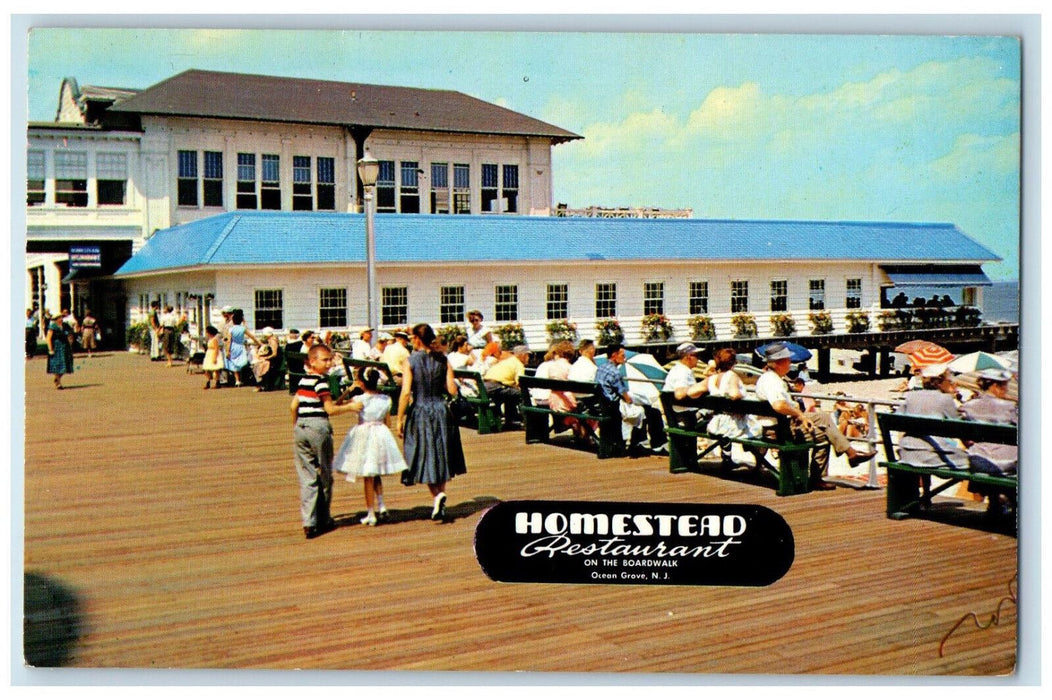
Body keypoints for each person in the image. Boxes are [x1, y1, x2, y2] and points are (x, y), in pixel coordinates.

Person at [754, 342, 874, 489]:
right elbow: (778, 405)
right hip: (780, 430)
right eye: (788, 360)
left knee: (824, 428)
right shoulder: (773, 381)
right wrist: (800, 414)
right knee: (824, 424)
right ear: (780, 362)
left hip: (777, 426)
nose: (790, 363)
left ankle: (849, 456)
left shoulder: (767, 378)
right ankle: (845, 458)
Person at [397, 323, 467, 522]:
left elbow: (405, 392)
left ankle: (437, 496)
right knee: (441, 452)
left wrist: (400, 417)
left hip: (420, 410)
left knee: (423, 453)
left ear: (417, 340)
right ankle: (440, 496)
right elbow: (452, 389)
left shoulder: (410, 361)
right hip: (441, 409)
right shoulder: (443, 360)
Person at [290, 343, 360, 539]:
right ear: (312, 361)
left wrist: (297, 426)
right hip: (318, 428)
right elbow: (329, 410)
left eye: (330, 359)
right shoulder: (321, 382)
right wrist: (351, 408)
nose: (329, 363)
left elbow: (293, 405)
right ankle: (323, 518)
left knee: (307, 476)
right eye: (325, 360)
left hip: (301, 428)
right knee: (325, 474)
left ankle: (308, 522)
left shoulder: (303, 381)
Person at [332, 369, 408, 526]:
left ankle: (371, 513)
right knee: (374, 471)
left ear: (361, 382)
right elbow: (387, 423)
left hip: (364, 435)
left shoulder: (358, 399)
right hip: (380, 434)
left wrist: (348, 390)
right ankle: (381, 505)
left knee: (368, 475)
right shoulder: (385, 399)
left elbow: (335, 405)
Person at [959, 368, 1017, 515]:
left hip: (979, 462)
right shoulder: (1010, 408)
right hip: (1006, 464)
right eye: (1004, 385)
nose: (1006, 390)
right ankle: (1012, 505)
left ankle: (994, 502)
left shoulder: (968, 406)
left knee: (981, 453)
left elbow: (963, 435)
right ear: (995, 386)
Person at [596, 343, 666, 456]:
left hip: (603, 404)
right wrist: (634, 400)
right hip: (613, 407)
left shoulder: (601, 368)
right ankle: (655, 443)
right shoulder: (615, 372)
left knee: (645, 410)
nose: (624, 357)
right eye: (622, 355)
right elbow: (625, 396)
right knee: (651, 411)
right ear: (614, 355)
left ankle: (639, 442)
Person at [896, 363, 968, 469]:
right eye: (949, 381)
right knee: (974, 461)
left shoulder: (910, 396)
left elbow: (897, 421)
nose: (952, 383)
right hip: (933, 455)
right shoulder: (945, 399)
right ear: (939, 383)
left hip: (906, 453)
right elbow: (960, 429)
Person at [703, 347, 765, 468]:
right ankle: (759, 463)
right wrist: (743, 394)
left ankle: (729, 454)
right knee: (759, 430)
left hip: (717, 423)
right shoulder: (732, 376)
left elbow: (691, 392)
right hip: (732, 426)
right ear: (733, 362)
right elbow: (734, 394)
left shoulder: (713, 378)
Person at [662, 343, 709, 428]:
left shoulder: (676, 369)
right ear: (689, 357)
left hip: (678, 414)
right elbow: (679, 394)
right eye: (697, 356)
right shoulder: (682, 373)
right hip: (687, 417)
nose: (698, 359)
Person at [483, 345, 531, 427]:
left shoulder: (507, 361)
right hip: (496, 387)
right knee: (522, 394)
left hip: (485, 386)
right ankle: (527, 421)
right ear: (523, 355)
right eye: (528, 355)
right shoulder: (518, 364)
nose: (529, 358)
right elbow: (520, 383)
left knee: (511, 393)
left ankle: (510, 420)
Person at [224, 309, 259, 387]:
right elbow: (252, 336)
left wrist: (227, 350)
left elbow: (229, 340)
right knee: (242, 362)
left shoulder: (231, 329)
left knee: (234, 363)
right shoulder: (243, 328)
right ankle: (245, 378)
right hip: (241, 346)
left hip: (233, 346)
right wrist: (259, 343)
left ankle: (237, 380)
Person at [45, 312, 74, 389]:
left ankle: (57, 378)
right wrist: (50, 349)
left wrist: (70, 342)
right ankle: (58, 383)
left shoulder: (65, 325)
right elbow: (48, 338)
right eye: (59, 317)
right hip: (56, 347)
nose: (61, 319)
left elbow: (70, 333)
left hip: (65, 346)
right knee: (57, 365)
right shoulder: (53, 326)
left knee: (65, 365)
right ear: (56, 319)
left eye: (61, 317)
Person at [252, 327, 282, 392]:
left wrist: (266, 358)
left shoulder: (273, 341)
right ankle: (259, 383)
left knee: (259, 365)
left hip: (274, 360)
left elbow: (274, 354)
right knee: (256, 364)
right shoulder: (269, 339)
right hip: (270, 358)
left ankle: (259, 384)